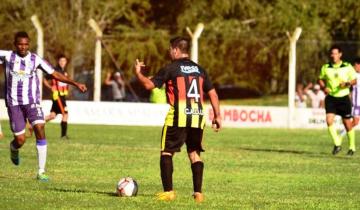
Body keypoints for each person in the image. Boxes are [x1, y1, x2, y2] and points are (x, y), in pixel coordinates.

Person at [134, 36, 221, 203]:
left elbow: (148, 85)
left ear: (175, 49)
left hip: (178, 116)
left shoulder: (171, 69)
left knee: (167, 151)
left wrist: (138, 73)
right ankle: (198, 194)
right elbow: (213, 94)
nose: (169, 52)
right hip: (197, 117)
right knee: (194, 154)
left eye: (169, 49)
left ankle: (168, 192)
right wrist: (217, 116)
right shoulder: (200, 70)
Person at [0, 31, 87, 181]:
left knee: (40, 127)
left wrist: (75, 83)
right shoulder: (7, 56)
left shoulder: (35, 59)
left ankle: (41, 172)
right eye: (20, 44)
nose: (23, 47)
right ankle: (14, 149)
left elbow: (54, 74)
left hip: (32, 102)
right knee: (20, 139)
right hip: (14, 104)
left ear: (29, 44)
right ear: (15, 44)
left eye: (26, 44)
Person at [318, 45, 357, 156]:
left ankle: (352, 147)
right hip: (331, 98)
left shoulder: (347, 66)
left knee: (347, 124)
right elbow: (320, 79)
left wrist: (347, 84)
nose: (333, 56)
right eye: (332, 53)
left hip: (344, 98)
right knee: (329, 120)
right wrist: (323, 87)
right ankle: (337, 144)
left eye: (335, 53)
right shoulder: (326, 67)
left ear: (340, 54)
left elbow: (354, 80)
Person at [43, 54, 70, 139]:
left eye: (64, 61)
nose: (62, 62)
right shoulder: (55, 71)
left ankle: (34, 124)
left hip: (62, 96)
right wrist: (50, 87)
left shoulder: (65, 72)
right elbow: (44, 79)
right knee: (65, 114)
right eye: (61, 61)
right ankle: (63, 136)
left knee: (52, 116)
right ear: (59, 62)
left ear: (66, 62)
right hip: (57, 96)